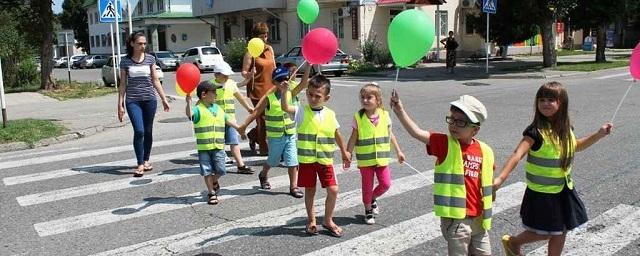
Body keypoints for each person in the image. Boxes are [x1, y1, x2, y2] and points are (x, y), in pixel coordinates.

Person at [493, 82, 612, 256]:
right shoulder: (535, 132)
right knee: (547, 232)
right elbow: (517, 154)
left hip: (563, 190)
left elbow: (576, 146)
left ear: (561, 103)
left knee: (561, 230)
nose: (545, 103)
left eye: (551, 99)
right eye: (541, 100)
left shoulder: (566, 130)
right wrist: (500, 179)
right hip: (542, 193)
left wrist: (598, 134)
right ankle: (513, 242)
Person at [390, 91, 495, 255]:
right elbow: (417, 132)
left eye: (460, 122)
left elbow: (487, 182)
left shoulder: (485, 150)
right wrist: (400, 111)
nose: (453, 125)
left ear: (475, 130)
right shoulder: (445, 143)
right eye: (452, 119)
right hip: (456, 220)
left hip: (480, 220)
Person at [280, 74, 351, 237]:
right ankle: (312, 221)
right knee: (310, 191)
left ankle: (327, 220)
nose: (312, 98)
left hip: (325, 160)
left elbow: (336, 132)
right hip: (307, 161)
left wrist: (344, 151)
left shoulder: (330, 114)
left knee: (333, 190)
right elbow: (285, 107)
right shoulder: (301, 111)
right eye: (310, 94)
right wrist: (285, 92)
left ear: (326, 97)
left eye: (317, 96)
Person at [239, 64, 312, 197]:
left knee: (293, 161)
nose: (283, 82)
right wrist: (243, 126)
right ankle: (263, 174)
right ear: (274, 82)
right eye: (279, 80)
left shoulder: (291, 93)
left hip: (290, 135)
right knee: (273, 161)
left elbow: (303, 83)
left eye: (285, 79)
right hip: (275, 137)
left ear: (289, 79)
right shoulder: (269, 98)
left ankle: (293, 187)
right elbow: (256, 113)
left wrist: (308, 66)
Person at [346, 83, 405, 225]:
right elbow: (353, 137)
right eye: (363, 97)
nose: (365, 100)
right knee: (367, 186)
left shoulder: (385, 115)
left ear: (378, 100)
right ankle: (368, 211)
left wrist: (399, 151)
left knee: (386, 184)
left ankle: (372, 198)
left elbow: (391, 135)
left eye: (369, 97)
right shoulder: (358, 117)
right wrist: (347, 153)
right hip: (366, 161)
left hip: (382, 159)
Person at [117, 32, 170, 177]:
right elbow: (122, 84)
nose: (143, 46)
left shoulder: (150, 59)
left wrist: (164, 99)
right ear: (132, 44)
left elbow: (155, 80)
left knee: (148, 131)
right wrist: (120, 105)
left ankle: (146, 159)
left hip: (149, 100)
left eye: (144, 43)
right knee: (139, 131)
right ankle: (140, 163)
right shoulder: (125, 61)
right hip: (133, 100)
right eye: (140, 43)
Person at [185, 81, 246, 205]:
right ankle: (211, 193)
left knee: (221, 170)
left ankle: (214, 180)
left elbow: (227, 120)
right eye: (213, 92)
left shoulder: (218, 108)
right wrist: (188, 103)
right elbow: (190, 115)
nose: (216, 95)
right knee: (206, 170)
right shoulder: (198, 109)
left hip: (218, 146)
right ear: (203, 95)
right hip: (204, 147)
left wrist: (239, 129)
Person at [210, 61, 255, 174]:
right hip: (216, 120)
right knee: (218, 144)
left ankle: (241, 165)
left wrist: (248, 107)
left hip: (230, 120)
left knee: (234, 142)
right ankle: (216, 165)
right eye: (224, 75)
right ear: (216, 75)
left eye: (228, 75)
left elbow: (240, 97)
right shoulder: (210, 85)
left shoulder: (231, 83)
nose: (226, 77)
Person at [242, 22, 276, 155]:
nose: (265, 39)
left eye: (266, 36)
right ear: (255, 38)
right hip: (257, 89)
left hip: (271, 87)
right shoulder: (250, 52)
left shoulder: (269, 49)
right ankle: (264, 148)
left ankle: (253, 135)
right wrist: (249, 74)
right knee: (262, 118)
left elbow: (273, 67)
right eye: (262, 36)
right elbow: (244, 72)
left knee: (271, 117)